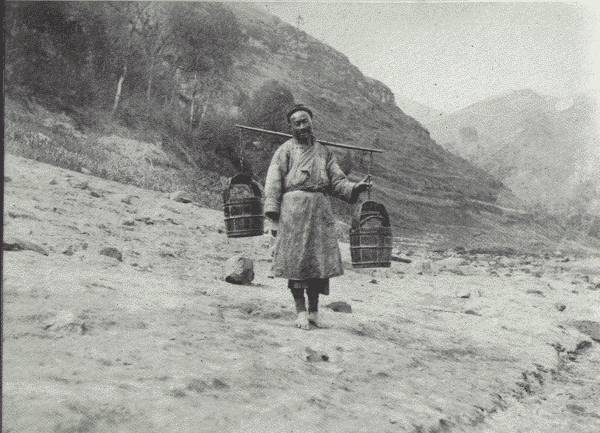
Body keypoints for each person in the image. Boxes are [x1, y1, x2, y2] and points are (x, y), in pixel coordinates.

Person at [264, 104, 371, 329]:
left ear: (312, 122)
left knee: (318, 264)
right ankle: (300, 312)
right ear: (291, 127)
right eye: (297, 123)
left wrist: (355, 187)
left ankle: (314, 312)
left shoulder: (324, 152)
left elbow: (337, 182)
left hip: (320, 213)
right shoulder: (285, 150)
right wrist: (272, 215)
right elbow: (273, 182)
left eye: (306, 121)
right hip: (294, 212)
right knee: (296, 263)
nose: (302, 126)